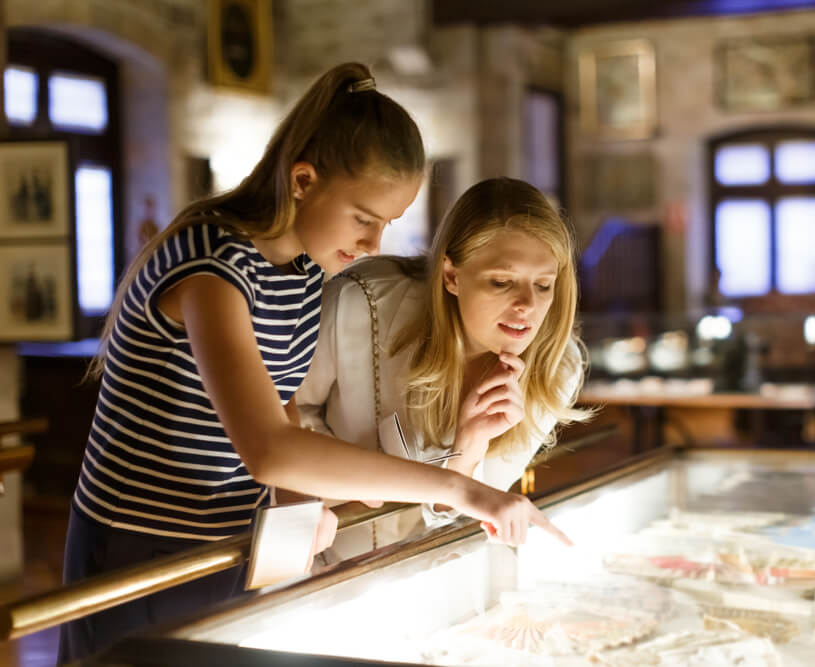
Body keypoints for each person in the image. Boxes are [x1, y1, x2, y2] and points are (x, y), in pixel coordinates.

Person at [59, 64, 568, 663]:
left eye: (387, 224)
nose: (375, 244)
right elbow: (269, 447)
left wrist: (301, 504)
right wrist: (462, 489)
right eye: (364, 218)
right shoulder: (210, 264)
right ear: (303, 180)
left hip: (231, 541)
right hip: (140, 545)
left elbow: (285, 407)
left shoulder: (303, 274)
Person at [297, 177, 591, 561]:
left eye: (543, 285)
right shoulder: (359, 304)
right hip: (322, 562)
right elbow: (284, 413)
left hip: (435, 575)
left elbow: (465, 520)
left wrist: (467, 453)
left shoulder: (556, 368)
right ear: (452, 275)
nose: (527, 305)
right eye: (502, 282)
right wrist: (324, 485)